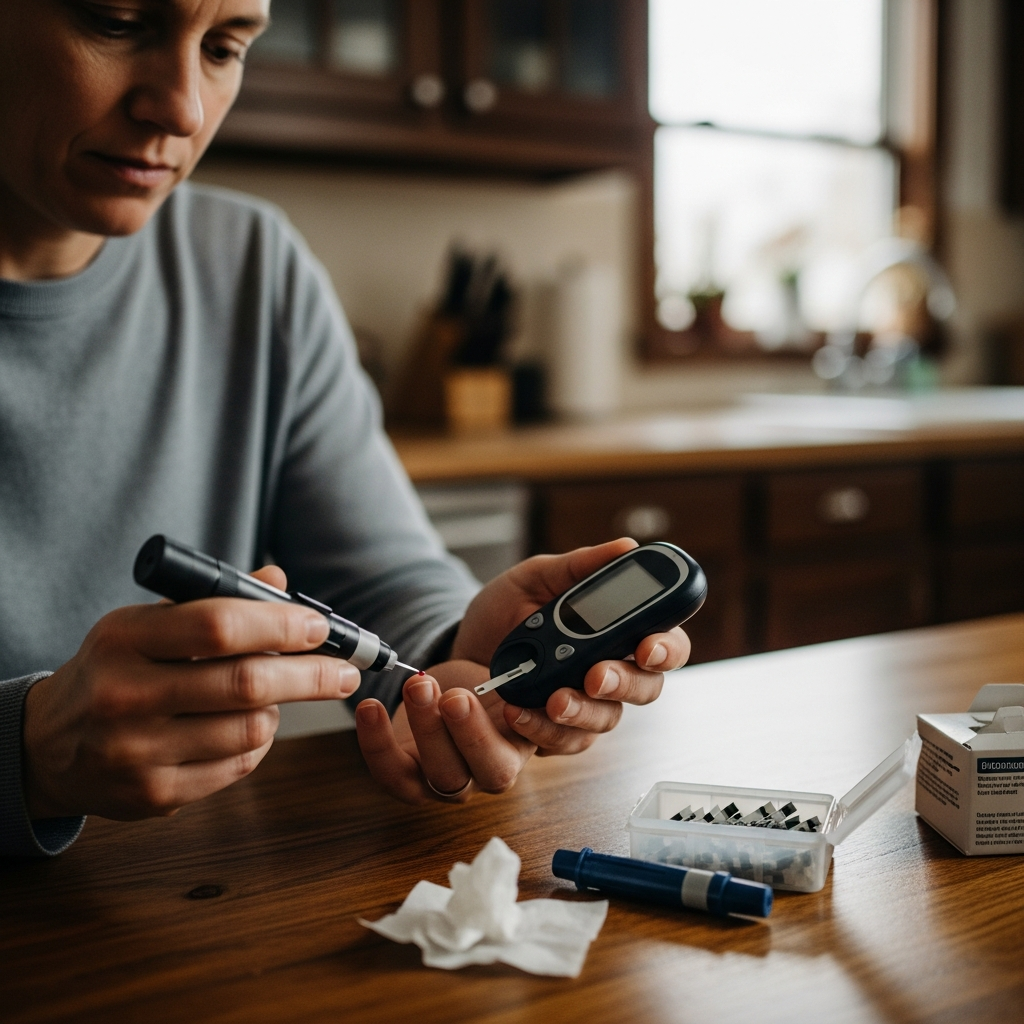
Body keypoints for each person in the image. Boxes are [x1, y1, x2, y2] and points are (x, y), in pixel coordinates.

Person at [0, 0, 691, 858]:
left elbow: (381, 573)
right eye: (115, 22)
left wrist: (451, 655)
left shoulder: (253, 265)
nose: (181, 107)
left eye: (224, 47)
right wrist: (24, 751)